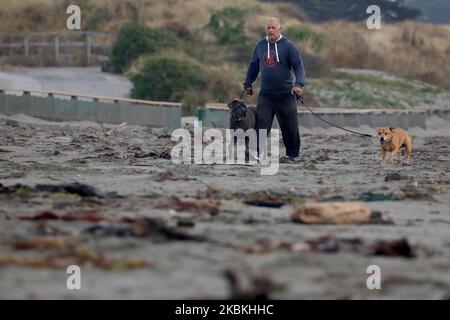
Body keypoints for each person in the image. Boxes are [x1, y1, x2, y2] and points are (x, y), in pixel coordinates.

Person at [243, 17, 305, 161]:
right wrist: (248, 82)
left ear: (280, 29)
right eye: (268, 28)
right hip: (266, 95)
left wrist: (298, 84)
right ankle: (255, 152)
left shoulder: (289, 46)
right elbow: (253, 65)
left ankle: (292, 154)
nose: (270, 30)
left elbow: (298, 66)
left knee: (290, 127)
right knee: (261, 125)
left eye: (273, 28)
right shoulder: (260, 45)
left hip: (286, 95)